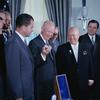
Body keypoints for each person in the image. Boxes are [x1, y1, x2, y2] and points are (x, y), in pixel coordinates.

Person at [56, 27, 93, 100]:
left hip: (84, 82)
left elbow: (90, 63)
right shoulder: (61, 48)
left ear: (78, 35)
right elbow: (58, 67)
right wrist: (61, 83)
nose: (71, 37)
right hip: (69, 83)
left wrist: (91, 77)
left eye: (73, 35)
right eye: (69, 35)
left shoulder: (86, 47)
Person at [5, 13, 35, 100]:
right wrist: (18, 96)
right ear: (23, 27)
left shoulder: (21, 41)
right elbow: (13, 73)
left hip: (27, 92)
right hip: (21, 95)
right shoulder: (13, 43)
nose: (32, 30)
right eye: (31, 27)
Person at [29, 20, 56, 100]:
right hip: (40, 83)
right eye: (49, 31)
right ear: (42, 29)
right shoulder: (33, 42)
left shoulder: (50, 42)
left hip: (51, 82)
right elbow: (33, 63)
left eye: (52, 32)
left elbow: (53, 62)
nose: (51, 34)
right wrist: (43, 54)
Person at [79, 19, 100, 99]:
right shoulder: (81, 39)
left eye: (94, 27)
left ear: (97, 29)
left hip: (98, 73)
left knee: (97, 95)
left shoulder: (99, 39)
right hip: (86, 73)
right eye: (90, 27)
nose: (91, 29)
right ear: (87, 27)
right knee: (85, 96)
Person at [0, 10, 7, 100]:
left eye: (4, 20)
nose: (3, 22)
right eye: (0, 19)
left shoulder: (4, 37)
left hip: (4, 75)